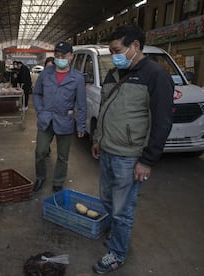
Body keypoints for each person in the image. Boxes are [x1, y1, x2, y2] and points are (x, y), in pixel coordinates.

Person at [91, 25, 174, 274]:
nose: (113, 55)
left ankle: (117, 253)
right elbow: (105, 109)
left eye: (117, 50)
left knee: (122, 209)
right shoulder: (113, 73)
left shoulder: (156, 75)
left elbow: (162, 121)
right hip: (107, 150)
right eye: (111, 50)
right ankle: (117, 237)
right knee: (107, 200)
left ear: (135, 46)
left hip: (129, 157)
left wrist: (147, 160)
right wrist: (97, 138)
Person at [33, 41, 86, 192]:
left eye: (63, 56)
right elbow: (37, 94)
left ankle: (58, 181)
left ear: (71, 57)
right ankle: (40, 177)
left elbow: (81, 104)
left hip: (65, 120)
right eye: (57, 56)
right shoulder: (45, 74)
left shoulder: (77, 78)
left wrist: (81, 125)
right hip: (46, 119)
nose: (60, 58)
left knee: (63, 156)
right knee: (40, 151)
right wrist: (40, 110)